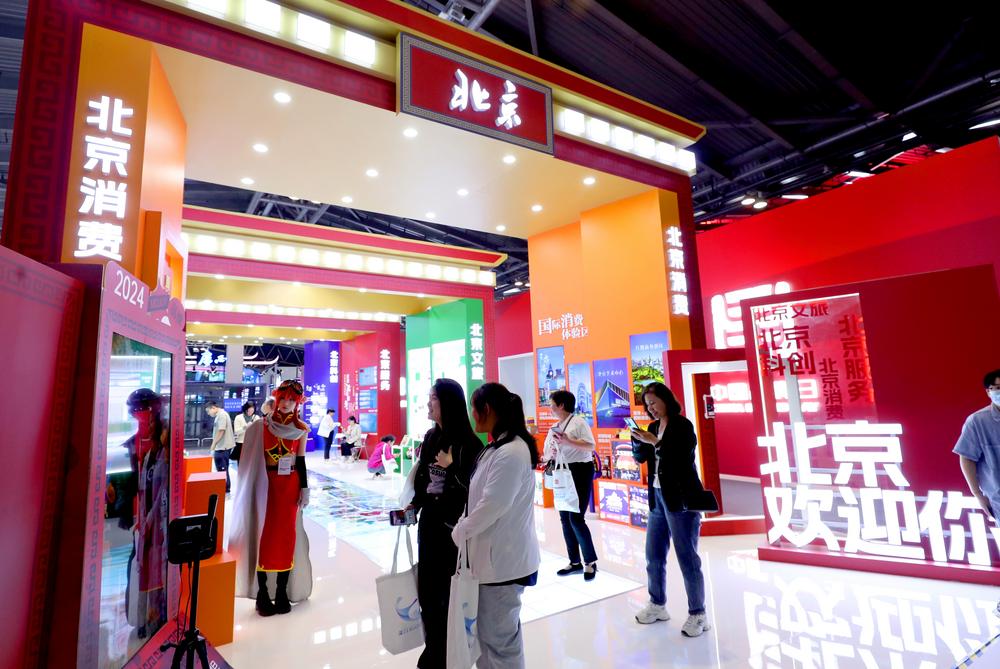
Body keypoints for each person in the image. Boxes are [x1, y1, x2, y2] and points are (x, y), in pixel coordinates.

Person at [452, 382, 540, 669]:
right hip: (491, 561)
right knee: (489, 639)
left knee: (500, 643)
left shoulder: (511, 452)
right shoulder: (498, 447)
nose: (472, 415)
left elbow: (494, 504)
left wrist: (461, 530)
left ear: (486, 409)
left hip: (503, 564)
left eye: (474, 409)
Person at [409, 379, 483, 669]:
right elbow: (423, 478)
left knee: (448, 595)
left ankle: (449, 654)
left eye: (433, 398)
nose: (428, 404)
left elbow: (474, 490)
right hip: (429, 524)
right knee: (427, 591)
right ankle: (433, 650)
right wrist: (414, 503)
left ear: (448, 403)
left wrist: (452, 467)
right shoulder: (431, 437)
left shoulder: (470, 444)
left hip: (454, 531)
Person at [631, 382, 711, 637]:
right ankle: (657, 605)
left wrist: (655, 442)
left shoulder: (682, 425)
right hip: (657, 497)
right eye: (647, 405)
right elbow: (642, 458)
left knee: (687, 557)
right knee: (653, 555)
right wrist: (638, 441)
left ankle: (698, 614)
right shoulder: (653, 427)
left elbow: (680, 458)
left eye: (654, 403)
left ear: (666, 400)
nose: (651, 409)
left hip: (680, 499)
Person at [229, 380, 313, 616]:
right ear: (277, 399)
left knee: (287, 538)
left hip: (289, 488)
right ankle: (263, 593)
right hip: (265, 486)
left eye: (292, 400)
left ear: (297, 403)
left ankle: (283, 591)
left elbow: (301, 460)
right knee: (263, 537)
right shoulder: (260, 427)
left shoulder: (301, 429)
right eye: (283, 398)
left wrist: (304, 488)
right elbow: (246, 460)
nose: (286, 403)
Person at [118, 388, 169, 639]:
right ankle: (140, 617)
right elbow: (129, 480)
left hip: (160, 513)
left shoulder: (164, 441)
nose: (140, 414)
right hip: (140, 513)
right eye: (136, 410)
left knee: (158, 563)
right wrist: (128, 511)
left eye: (145, 409)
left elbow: (167, 480)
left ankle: (157, 615)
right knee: (139, 563)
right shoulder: (133, 443)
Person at [954, 368, 1000, 618]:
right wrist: (978, 494)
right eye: (997, 388)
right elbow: (966, 458)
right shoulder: (978, 422)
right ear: (988, 392)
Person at [543, 390, 599, 580]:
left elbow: (590, 446)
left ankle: (590, 562)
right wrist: (550, 452)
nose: (550, 408)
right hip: (561, 472)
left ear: (561, 405)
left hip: (580, 470)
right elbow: (546, 455)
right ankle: (574, 562)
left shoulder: (578, 422)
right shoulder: (554, 428)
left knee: (576, 517)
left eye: (552, 404)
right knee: (565, 518)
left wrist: (567, 441)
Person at [206, 401, 236, 493]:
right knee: (223, 468)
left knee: (222, 469)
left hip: (223, 447)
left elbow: (221, 430)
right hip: (222, 447)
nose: (208, 413)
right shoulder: (220, 415)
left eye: (208, 411)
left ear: (213, 408)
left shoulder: (222, 415)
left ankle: (225, 488)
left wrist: (213, 444)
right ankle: (225, 487)